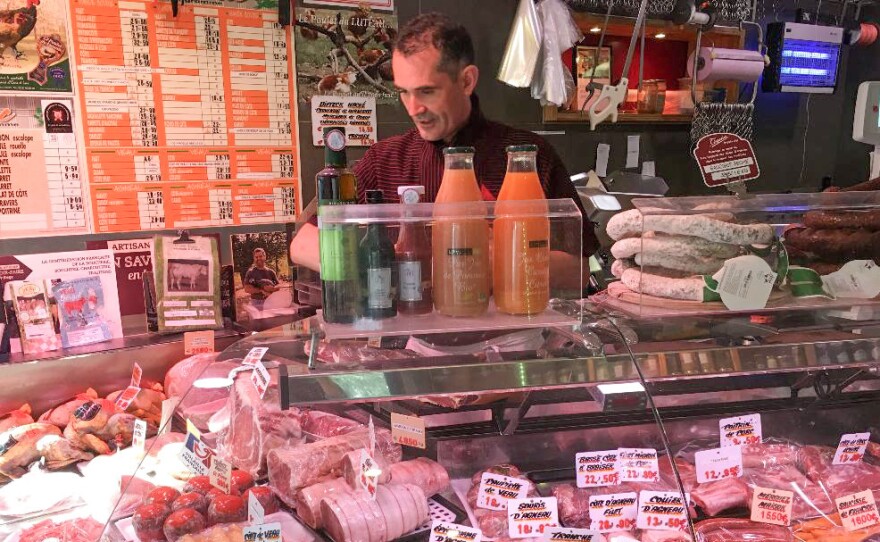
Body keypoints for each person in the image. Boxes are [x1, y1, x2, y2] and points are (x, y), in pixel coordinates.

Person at [291, 12, 599, 272]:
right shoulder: (384, 160)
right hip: (410, 340)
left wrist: (491, 260)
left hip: (509, 337)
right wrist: (373, 262)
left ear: (466, 81)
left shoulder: (526, 157)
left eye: (426, 91)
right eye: (404, 92)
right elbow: (302, 242)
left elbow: (580, 268)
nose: (413, 109)